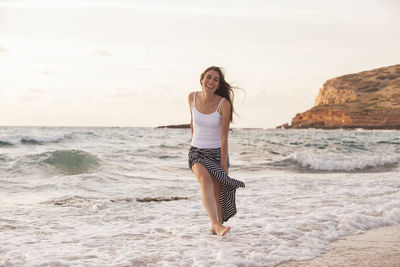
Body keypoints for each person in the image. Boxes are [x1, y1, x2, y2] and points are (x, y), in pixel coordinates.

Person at [188, 66, 245, 236]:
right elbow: (192, 122)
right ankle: (216, 225)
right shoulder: (192, 97)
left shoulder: (224, 104)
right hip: (197, 153)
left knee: (217, 197)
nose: (211, 81)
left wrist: (223, 165)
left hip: (217, 153)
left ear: (219, 84)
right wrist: (194, 143)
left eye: (215, 79)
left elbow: (224, 137)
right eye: (208, 77)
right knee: (206, 181)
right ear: (201, 79)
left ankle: (217, 233)